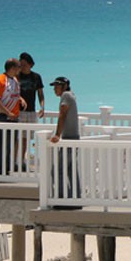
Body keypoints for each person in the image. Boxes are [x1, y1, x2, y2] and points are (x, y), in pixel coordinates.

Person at [49, 76, 82, 207]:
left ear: (64, 86)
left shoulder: (66, 96)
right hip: (74, 138)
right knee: (71, 170)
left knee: (57, 170)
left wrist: (57, 135)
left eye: (57, 86)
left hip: (69, 139)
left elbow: (62, 114)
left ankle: (63, 199)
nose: (55, 89)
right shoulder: (71, 95)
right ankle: (76, 199)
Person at [0, 58, 26, 174]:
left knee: (11, 145)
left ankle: (6, 169)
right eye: (18, 67)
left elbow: (13, 94)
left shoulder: (15, 80)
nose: (20, 69)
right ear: (12, 68)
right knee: (2, 145)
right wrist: (7, 112)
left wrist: (20, 99)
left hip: (14, 117)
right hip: (2, 116)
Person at [16, 52, 46, 169]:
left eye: (24, 64)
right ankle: (14, 160)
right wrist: (20, 98)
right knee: (17, 138)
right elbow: (13, 92)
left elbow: (40, 94)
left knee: (26, 138)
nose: (22, 67)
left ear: (30, 65)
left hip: (31, 111)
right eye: (21, 65)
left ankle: (21, 161)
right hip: (18, 111)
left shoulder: (36, 77)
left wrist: (42, 107)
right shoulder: (16, 76)